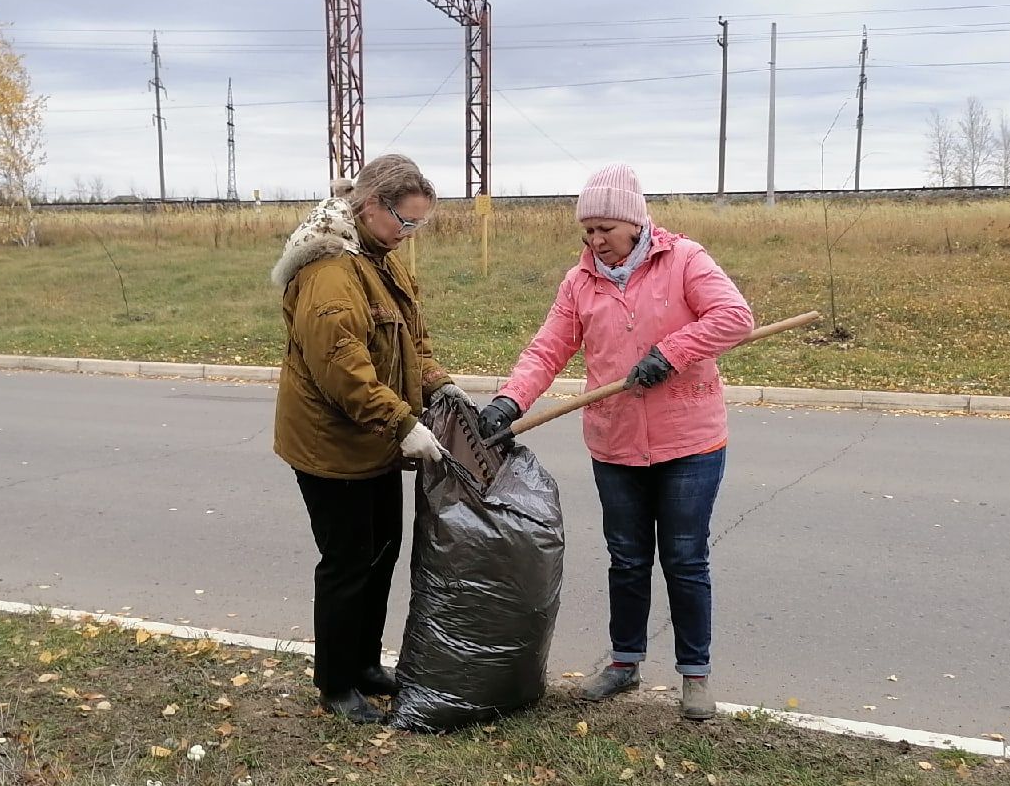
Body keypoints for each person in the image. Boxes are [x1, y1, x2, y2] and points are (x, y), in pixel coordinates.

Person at [478, 163, 754, 720]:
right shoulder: (580, 281)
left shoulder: (684, 260)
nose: (594, 240)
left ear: (634, 223)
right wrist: (511, 400)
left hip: (690, 443)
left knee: (684, 558)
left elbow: (735, 317)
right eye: (587, 231)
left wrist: (671, 353)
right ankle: (625, 663)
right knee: (627, 558)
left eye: (604, 228)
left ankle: (694, 675)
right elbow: (548, 348)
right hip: (615, 443)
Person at [272, 154, 465, 724]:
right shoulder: (331, 273)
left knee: (382, 554)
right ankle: (335, 683)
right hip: (332, 448)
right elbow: (343, 370)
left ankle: (363, 663)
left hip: (377, 441)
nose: (409, 235)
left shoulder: (382, 261)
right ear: (370, 206)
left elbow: (414, 338)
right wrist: (405, 425)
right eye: (405, 222)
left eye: (418, 225)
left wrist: (439, 387)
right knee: (348, 562)